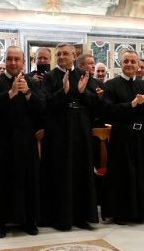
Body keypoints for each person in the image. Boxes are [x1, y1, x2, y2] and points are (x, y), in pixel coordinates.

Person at [0, 46, 45, 237]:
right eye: (9, 59)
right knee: (1, 182)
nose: (13, 63)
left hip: (26, 141)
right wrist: (9, 94)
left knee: (27, 181)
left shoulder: (32, 83)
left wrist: (28, 94)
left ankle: (28, 221)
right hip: (2, 142)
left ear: (23, 62)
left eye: (17, 59)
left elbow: (42, 108)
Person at [40, 44, 99, 230]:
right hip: (58, 130)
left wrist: (82, 92)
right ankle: (60, 217)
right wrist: (63, 92)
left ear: (74, 56)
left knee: (81, 170)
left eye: (65, 53)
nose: (61, 56)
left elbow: (95, 104)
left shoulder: (83, 75)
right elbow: (44, 104)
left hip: (80, 129)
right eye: (58, 54)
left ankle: (81, 216)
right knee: (60, 172)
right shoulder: (49, 77)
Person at [102, 50, 144, 224]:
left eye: (133, 61)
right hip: (121, 135)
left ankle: (139, 211)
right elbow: (108, 111)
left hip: (140, 134)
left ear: (138, 65)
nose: (129, 64)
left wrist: (142, 105)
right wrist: (132, 104)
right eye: (126, 61)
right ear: (120, 63)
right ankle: (120, 213)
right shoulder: (111, 85)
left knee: (140, 173)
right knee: (122, 174)